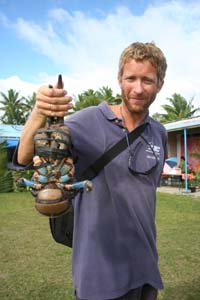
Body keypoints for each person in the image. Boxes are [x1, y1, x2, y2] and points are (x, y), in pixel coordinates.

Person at [17, 42, 168, 300]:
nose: (138, 88)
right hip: (100, 274)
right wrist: (40, 110)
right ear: (119, 79)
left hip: (145, 267)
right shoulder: (88, 120)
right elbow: (24, 155)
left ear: (160, 84)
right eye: (131, 78)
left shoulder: (159, 132)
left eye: (148, 80)